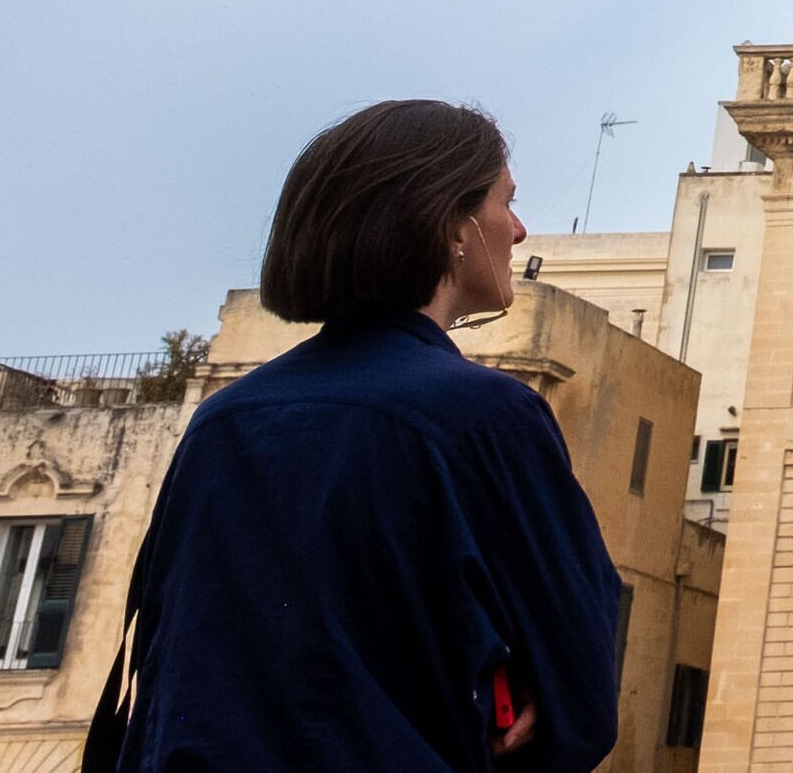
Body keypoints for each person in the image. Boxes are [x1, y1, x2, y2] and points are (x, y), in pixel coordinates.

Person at [93, 100, 624, 772]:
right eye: (504, 202)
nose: (517, 230)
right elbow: (580, 686)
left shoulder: (222, 421)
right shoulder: (484, 417)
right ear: (451, 226)